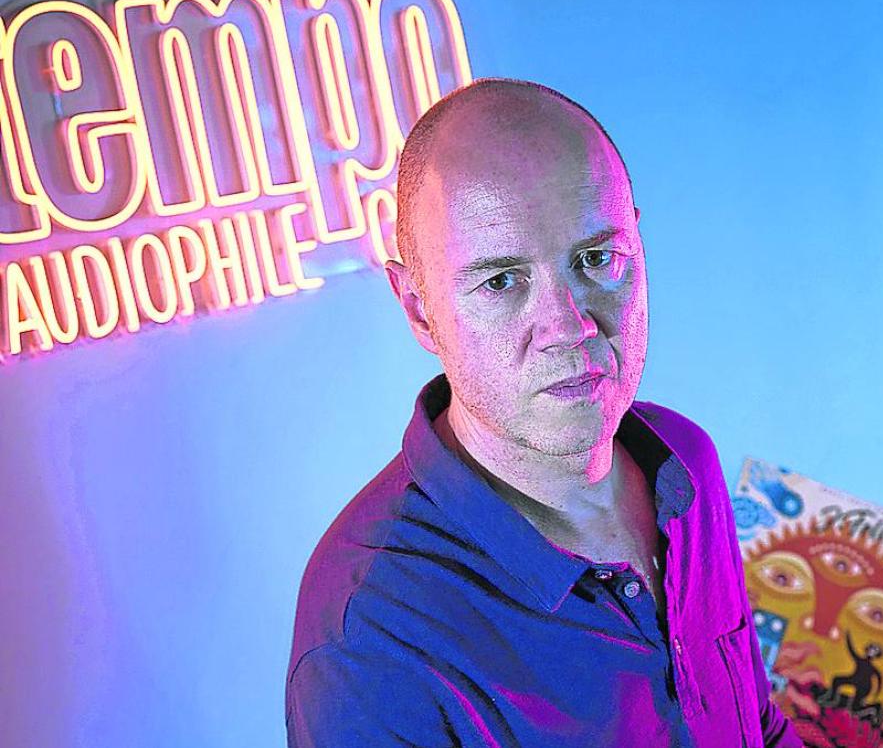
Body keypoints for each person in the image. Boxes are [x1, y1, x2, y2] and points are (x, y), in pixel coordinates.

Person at [285, 77, 801, 747]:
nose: (569, 326)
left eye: (597, 259)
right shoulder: (372, 640)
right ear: (419, 308)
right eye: (501, 280)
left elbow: (756, 725)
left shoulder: (685, 462)